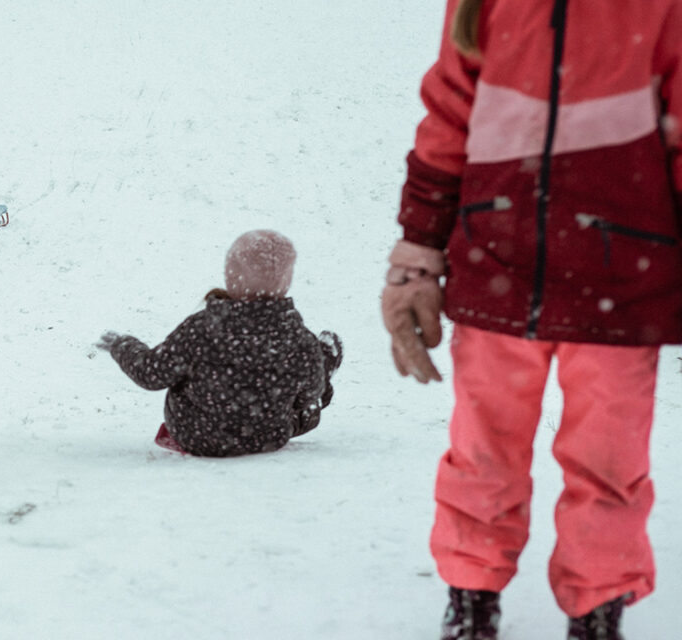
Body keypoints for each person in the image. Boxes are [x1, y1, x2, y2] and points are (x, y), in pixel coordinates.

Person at [381, 1, 682, 637]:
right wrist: (418, 254)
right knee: (482, 451)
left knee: (609, 459)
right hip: (498, 265)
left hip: (619, 275)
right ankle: (471, 594)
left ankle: (597, 606)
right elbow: (449, 117)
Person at [97, 230, 342, 456]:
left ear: (230, 274)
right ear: (286, 279)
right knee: (311, 403)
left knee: (306, 384)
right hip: (267, 437)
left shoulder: (201, 330)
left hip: (196, 436)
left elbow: (151, 373)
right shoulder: (299, 338)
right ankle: (323, 364)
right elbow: (306, 396)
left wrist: (123, 345)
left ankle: (320, 367)